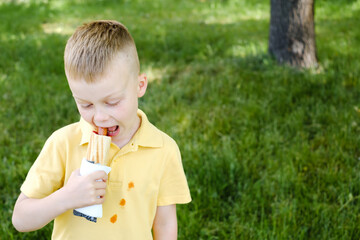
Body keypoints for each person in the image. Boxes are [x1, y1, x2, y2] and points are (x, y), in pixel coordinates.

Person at [12, 20, 191, 240]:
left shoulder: (164, 150)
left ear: (140, 86)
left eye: (112, 102)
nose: (99, 117)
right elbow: (20, 219)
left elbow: (164, 223)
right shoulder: (63, 144)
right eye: (86, 104)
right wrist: (67, 197)